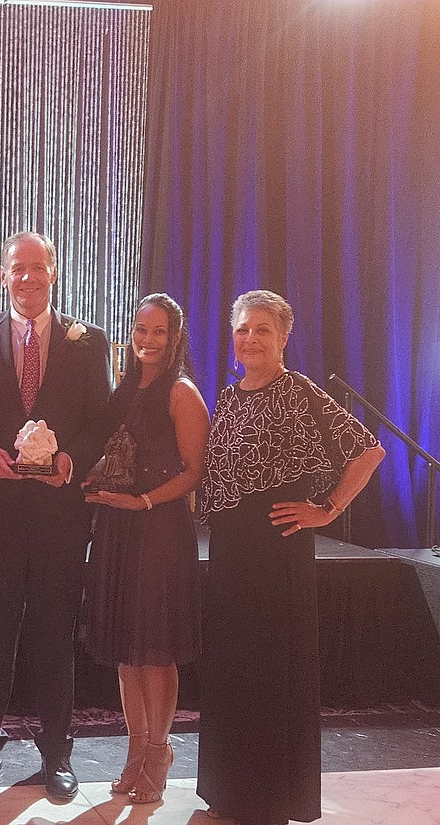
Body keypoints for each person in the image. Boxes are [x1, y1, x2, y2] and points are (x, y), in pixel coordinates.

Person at [197, 290, 385, 825]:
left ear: (283, 338)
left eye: (262, 329)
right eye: (243, 329)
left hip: (279, 551)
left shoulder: (298, 391)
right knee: (232, 668)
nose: (250, 338)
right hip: (232, 552)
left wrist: (327, 508)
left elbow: (369, 450)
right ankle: (229, 792)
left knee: (272, 671)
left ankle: (271, 800)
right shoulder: (230, 397)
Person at [0, 231, 111, 799]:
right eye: (18, 269)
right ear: (2, 275)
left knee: (53, 636)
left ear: (55, 274)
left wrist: (74, 458)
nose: (28, 278)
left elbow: (101, 421)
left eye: (38, 268)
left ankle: (57, 754)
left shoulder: (89, 340)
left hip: (61, 517)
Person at [81, 293, 209, 804]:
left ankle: (159, 751)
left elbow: (195, 472)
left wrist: (144, 502)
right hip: (116, 527)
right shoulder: (125, 388)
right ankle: (135, 752)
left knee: (155, 649)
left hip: (158, 529)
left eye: (158, 331)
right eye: (140, 329)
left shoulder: (182, 392)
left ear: (175, 337)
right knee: (126, 653)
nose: (147, 339)